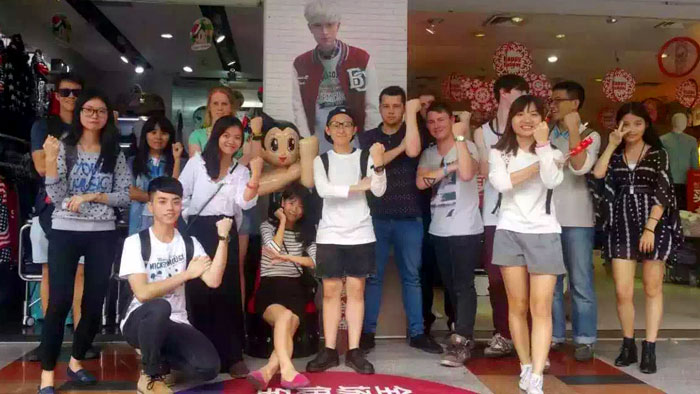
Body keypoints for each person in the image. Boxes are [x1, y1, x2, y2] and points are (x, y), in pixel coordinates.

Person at [38, 90, 132, 394]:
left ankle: (76, 361)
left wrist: (92, 196)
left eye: (101, 111)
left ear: (108, 117)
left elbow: (124, 194)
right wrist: (51, 160)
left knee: (94, 302)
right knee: (60, 301)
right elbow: (56, 194)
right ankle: (47, 375)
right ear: (79, 114)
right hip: (65, 230)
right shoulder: (65, 148)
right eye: (89, 110)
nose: (95, 115)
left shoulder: (113, 153)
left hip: (102, 232)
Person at [592, 102, 682, 374]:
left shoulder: (658, 154)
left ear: (646, 126)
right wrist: (611, 144)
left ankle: (650, 346)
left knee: (653, 289)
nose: (631, 129)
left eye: (637, 123)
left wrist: (650, 228)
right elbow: (597, 174)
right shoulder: (616, 154)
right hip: (621, 225)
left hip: (652, 225)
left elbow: (663, 192)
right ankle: (628, 343)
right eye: (626, 124)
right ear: (618, 125)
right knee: (623, 291)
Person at [120, 177, 227, 394]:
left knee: (209, 367)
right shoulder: (135, 243)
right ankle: (150, 377)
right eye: (162, 201)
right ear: (150, 206)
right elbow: (142, 293)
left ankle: (162, 360)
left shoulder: (189, 244)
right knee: (160, 306)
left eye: (175, 201)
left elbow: (213, 280)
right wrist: (186, 275)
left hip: (176, 322)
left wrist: (223, 239)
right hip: (138, 321)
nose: (170, 208)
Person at [356, 86, 441, 355]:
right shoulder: (369, 137)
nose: (391, 111)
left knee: (412, 277)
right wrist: (400, 148)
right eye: (386, 106)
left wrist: (412, 121)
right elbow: (371, 164)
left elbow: (414, 151)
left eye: (397, 106)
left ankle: (417, 333)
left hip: (410, 216)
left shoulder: (413, 132)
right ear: (379, 108)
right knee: (373, 278)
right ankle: (367, 332)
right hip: (376, 217)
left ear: (404, 108)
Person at [489, 95, 565, 394]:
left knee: (541, 307)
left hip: (545, 232)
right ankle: (524, 365)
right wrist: (535, 166)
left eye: (534, 114)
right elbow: (502, 183)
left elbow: (552, 181)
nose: (527, 120)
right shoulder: (499, 152)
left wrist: (544, 148)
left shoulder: (552, 151)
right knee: (517, 306)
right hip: (509, 230)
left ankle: (537, 373)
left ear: (542, 120)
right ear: (511, 119)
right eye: (521, 114)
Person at [179, 115, 263, 379]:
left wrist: (256, 174)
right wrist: (187, 221)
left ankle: (232, 355)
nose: (231, 141)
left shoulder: (240, 170)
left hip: (225, 231)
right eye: (226, 135)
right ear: (216, 135)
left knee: (227, 291)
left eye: (237, 137)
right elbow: (181, 195)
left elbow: (245, 202)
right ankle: (199, 355)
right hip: (198, 230)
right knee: (199, 291)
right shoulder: (196, 164)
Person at [306, 107, 386, 375]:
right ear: (327, 130)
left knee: (356, 292)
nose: (341, 128)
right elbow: (324, 190)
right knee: (329, 293)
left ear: (354, 130)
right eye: (335, 124)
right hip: (330, 233)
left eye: (347, 124)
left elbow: (378, 188)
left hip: (361, 233)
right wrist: (356, 186)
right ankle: (328, 350)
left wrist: (379, 163)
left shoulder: (365, 157)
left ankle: (354, 350)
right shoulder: (322, 161)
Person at [28, 73, 96, 360]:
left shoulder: (91, 127)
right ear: (56, 95)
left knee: (81, 274)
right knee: (50, 274)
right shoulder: (44, 126)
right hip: (49, 209)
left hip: (82, 209)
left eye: (77, 92)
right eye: (66, 92)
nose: (72, 97)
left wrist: (57, 156)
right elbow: (41, 168)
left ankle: (81, 344)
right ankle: (48, 343)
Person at [415, 102, 482, 366]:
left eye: (441, 120)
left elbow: (467, 172)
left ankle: (461, 339)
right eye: (431, 122)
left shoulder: (467, 146)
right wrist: (447, 168)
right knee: (451, 286)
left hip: (465, 228)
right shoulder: (429, 153)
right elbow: (421, 182)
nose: (436, 126)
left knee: (464, 285)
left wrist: (461, 136)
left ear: (451, 120)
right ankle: (462, 334)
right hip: (439, 229)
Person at [473, 74, 528, 358]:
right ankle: (503, 334)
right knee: (496, 279)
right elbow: (485, 172)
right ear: (503, 94)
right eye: (516, 94)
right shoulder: (482, 132)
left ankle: (528, 336)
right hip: (494, 217)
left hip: (526, 215)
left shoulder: (528, 129)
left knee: (526, 279)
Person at [548, 81, 601, 361]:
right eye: (552, 100)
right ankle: (555, 335)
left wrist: (572, 130)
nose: (553, 105)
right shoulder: (545, 134)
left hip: (578, 219)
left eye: (559, 100)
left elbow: (580, 167)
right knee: (551, 282)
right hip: (548, 220)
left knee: (580, 281)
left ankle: (584, 338)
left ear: (575, 104)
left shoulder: (591, 135)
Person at [247, 184, 317, 391]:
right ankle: (287, 370)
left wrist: (286, 257)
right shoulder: (267, 226)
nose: (295, 208)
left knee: (291, 322)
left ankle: (267, 371)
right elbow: (273, 248)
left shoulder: (307, 232)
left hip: (296, 290)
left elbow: (314, 261)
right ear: (282, 203)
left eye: (300, 205)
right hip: (270, 288)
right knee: (286, 318)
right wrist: (283, 222)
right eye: (291, 202)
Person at [292, 0, 380, 153]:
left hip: (356, 141)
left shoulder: (361, 59)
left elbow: (371, 105)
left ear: (338, 25)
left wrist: (369, 141)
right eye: (318, 25)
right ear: (310, 28)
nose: (324, 32)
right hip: (318, 143)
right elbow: (298, 107)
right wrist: (306, 142)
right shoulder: (301, 64)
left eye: (330, 25)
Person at [128, 116, 184, 235]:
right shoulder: (133, 162)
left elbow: (175, 191)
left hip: (168, 222)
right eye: (153, 132)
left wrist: (177, 159)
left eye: (163, 133)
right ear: (145, 135)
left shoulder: (177, 162)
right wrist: (164, 199)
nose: (158, 137)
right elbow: (131, 193)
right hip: (139, 220)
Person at [660, 112, 698, 210]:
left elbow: (695, 165)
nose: (682, 123)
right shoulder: (663, 140)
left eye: (683, 120)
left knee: (677, 208)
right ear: (673, 122)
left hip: (683, 181)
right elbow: (695, 165)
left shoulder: (663, 139)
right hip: (671, 181)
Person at [187, 86, 240, 156]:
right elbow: (196, 164)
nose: (220, 108)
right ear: (209, 107)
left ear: (231, 107)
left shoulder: (242, 136)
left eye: (224, 104)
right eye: (215, 104)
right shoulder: (196, 135)